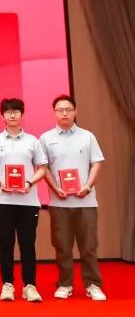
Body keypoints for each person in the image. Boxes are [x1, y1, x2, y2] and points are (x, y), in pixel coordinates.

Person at [40, 94, 107, 301]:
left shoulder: (87, 136)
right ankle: (65, 284)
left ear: (75, 111)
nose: (65, 113)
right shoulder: (46, 138)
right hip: (59, 202)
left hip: (86, 201)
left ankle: (93, 284)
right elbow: (43, 167)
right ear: (54, 113)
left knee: (89, 246)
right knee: (62, 247)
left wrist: (87, 186)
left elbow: (96, 163)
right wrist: (55, 188)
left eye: (68, 110)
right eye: (60, 110)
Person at [0, 98, 49, 302]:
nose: (12, 115)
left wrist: (29, 182)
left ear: (22, 115)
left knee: (28, 244)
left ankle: (30, 286)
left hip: (28, 201)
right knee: (5, 243)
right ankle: (7, 284)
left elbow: (42, 168)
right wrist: (0, 181)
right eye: (8, 112)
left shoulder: (33, 141)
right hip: (3, 199)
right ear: (2, 116)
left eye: (16, 112)